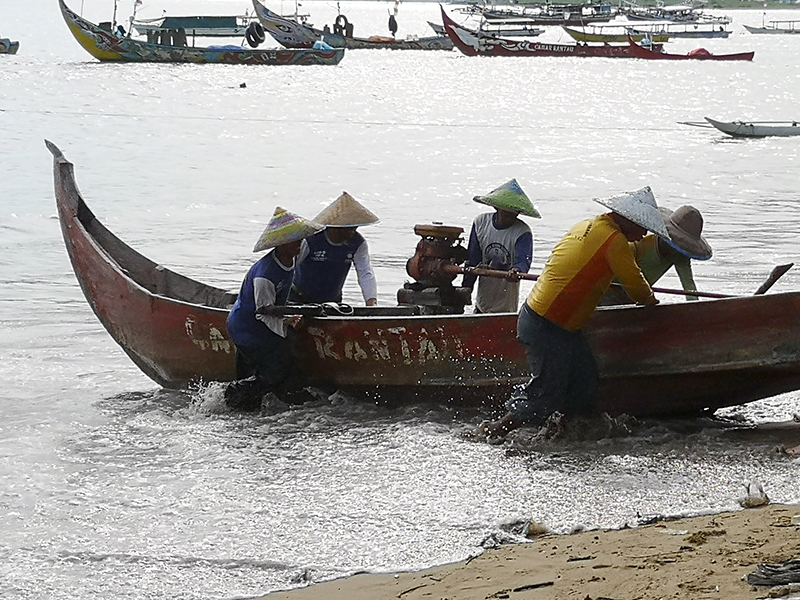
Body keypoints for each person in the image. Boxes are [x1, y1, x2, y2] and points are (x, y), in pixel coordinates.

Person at [478, 186, 670, 442]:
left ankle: (571, 432)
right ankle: (496, 430)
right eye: (644, 226)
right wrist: (651, 303)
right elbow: (636, 286)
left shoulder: (588, 226)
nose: (645, 233)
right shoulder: (615, 242)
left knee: (585, 381)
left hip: (554, 321)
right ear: (627, 220)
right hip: (546, 323)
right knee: (546, 394)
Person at [224, 207, 324, 411]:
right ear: (281, 244)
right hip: (247, 326)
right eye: (294, 241)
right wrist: (287, 321)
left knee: (277, 369)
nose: (299, 244)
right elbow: (263, 311)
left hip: (261, 321)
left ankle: (261, 402)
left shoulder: (293, 257)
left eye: (299, 239)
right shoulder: (265, 275)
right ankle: (235, 392)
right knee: (276, 370)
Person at [602, 205, 712, 304]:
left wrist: (694, 308)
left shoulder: (680, 256)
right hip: (609, 292)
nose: (675, 249)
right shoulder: (640, 242)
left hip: (638, 298)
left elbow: (688, 286)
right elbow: (625, 274)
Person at [462, 179, 540, 313]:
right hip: (483, 297)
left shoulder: (522, 232)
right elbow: (473, 259)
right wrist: (466, 289)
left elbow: (523, 262)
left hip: (506, 302)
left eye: (514, 212)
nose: (510, 215)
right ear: (496, 208)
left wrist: (516, 271)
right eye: (506, 211)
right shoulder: (481, 223)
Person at [290, 192, 380, 307]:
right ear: (334, 227)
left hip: (332, 301)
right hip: (299, 298)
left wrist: (371, 302)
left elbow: (365, 272)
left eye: (353, 229)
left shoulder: (357, 243)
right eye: (347, 229)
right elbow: (290, 266)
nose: (351, 233)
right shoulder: (311, 240)